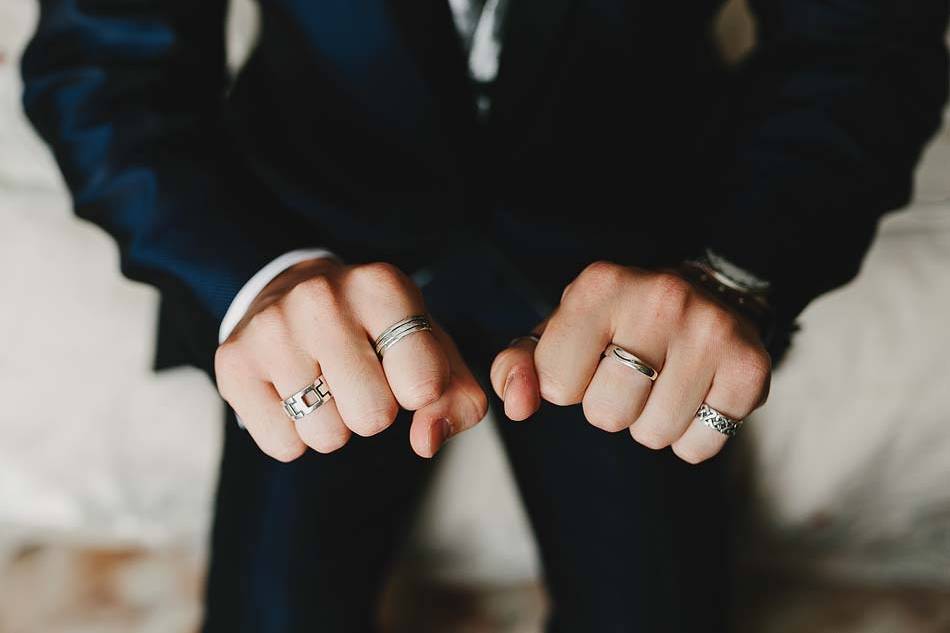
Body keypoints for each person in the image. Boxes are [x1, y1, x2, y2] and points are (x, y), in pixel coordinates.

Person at [21, 0, 948, 631]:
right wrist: (251, 277)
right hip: (318, 243)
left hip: (630, 259)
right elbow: (102, 67)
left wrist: (734, 269)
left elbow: (864, 48)